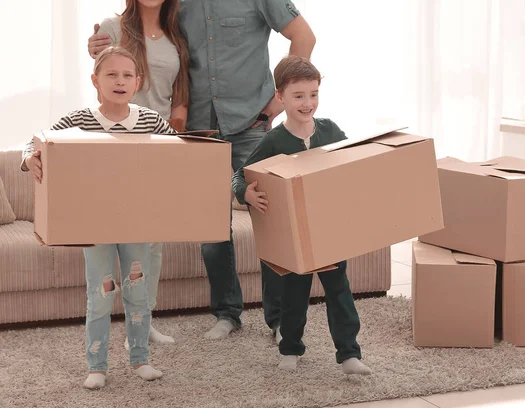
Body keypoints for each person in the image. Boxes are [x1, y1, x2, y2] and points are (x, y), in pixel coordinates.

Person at [88, 0, 316, 340]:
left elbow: (304, 37)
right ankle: (228, 313)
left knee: (272, 221)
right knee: (212, 229)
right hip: (199, 129)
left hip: (251, 123)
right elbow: (145, 36)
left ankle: (281, 319)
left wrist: (276, 103)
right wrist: (99, 43)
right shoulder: (176, 4)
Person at [22, 46, 175, 389]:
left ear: (137, 81)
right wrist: (29, 158)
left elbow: (182, 155)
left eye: (127, 75)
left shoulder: (150, 120)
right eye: (111, 74)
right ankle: (97, 366)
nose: (119, 81)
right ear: (95, 80)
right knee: (101, 294)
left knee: (137, 293)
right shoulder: (79, 120)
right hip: (95, 226)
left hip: (138, 223)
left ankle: (140, 359)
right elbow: (34, 144)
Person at [232, 55, 373, 375]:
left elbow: (352, 164)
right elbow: (239, 176)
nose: (307, 103)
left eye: (313, 94)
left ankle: (349, 354)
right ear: (280, 97)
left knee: (339, 291)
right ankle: (290, 349)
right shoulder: (273, 140)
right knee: (294, 294)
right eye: (298, 96)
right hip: (295, 232)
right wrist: (247, 194)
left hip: (329, 228)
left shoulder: (330, 130)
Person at [92, 0, 191, 349]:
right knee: (110, 236)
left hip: (157, 144)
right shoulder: (113, 27)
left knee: (152, 242)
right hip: (116, 145)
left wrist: (174, 138)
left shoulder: (176, 35)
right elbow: (102, 71)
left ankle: (143, 321)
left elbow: (179, 93)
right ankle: (101, 320)